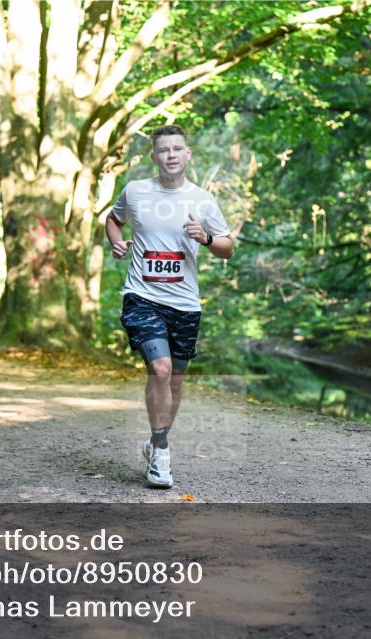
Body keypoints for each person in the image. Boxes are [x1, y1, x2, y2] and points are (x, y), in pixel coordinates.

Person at [106, 125, 234, 488]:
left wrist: (206, 238)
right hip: (142, 296)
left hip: (185, 304)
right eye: (164, 150)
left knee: (175, 380)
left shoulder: (203, 200)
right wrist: (117, 243)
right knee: (160, 370)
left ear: (188, 155)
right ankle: (160, 453)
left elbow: (227, 246)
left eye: (178, 149)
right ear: (155, 157)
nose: (171, 155)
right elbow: (113, 220)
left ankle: (157, 438)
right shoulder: (136, 191)